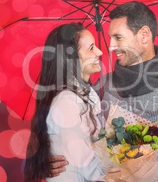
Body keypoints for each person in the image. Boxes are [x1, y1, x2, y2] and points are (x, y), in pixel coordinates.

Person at [50, 1, 158, 181]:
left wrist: (151, 170)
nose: (110, 46)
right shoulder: (102, 85)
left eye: (118, 37)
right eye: (110, 37)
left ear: (144, 35)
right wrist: (48, 157)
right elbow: (81, 141)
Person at [24, 22, 108, 181]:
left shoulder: (82, 97)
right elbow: (88, 167)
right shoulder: (66, 103)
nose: (100, 51)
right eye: (91, 48)